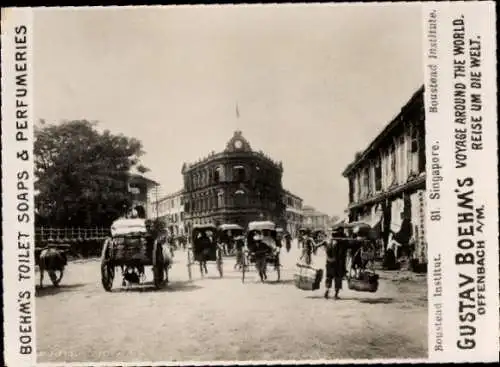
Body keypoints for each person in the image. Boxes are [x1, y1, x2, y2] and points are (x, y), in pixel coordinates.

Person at [323, 228, 347, 300]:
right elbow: (341, 255)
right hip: (337, 264)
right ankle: (336, 295)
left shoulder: (329, 242)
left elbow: (327, 253)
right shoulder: (340, 243)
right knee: (338, 278)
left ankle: (327, 291)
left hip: (329, 263)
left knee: (329, 278)